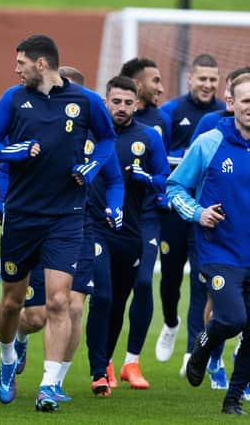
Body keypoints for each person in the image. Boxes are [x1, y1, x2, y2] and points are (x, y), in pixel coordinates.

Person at [0, 34, 116, 412]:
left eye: (21, 62)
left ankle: (48, 384)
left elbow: (106, 140)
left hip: (66, 217)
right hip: (22, 216)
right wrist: (17, 151)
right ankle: (8, 361)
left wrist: (92, 166)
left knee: (59, 302)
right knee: (11, 303)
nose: (16, 68)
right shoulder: (12, 99)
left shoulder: (86, 102)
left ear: (41, 64)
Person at [5, 66, 123, 401]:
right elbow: (9, 170)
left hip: (80, 228)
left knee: (72, 306)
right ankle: (20, 340)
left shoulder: (97, 140)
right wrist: (6, 204)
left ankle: (54, 382)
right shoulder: (43, 131)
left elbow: (114, 178)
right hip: (42, 224)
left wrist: (115, 207)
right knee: (35, 315)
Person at [166, 72, 250, 415]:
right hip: (220, 250)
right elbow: (174, 188)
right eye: (246, 101)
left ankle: (233, 398)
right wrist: (198, 213)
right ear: (230, 104)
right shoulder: (210, 142)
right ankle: (202, 346)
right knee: (231, 319)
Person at [89, 76, 169, 393]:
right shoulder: (90, 132)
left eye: (127, 102)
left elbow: (164, 178)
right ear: (105, 101)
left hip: (131, 232)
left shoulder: (148, 138)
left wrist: (146, 177)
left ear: (136, 103)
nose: (121, 108)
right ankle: (98, 371)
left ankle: (109, 363)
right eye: (116, 102)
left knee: (119, 302)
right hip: (95, 227)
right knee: (103, 296)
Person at [156, 54, 226, 377]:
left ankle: (191, 352)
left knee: (203, 283)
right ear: (190, 79)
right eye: (202, 79)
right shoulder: (171, 112)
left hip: (207, 213)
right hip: (174, 211)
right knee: (170, 280)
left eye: (213, 80)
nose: (208, 85)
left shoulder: (224, 117)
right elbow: (160, 162)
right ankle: (171, 322)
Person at [115, 57, 171, 388]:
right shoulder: (109, 120)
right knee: (111, 293)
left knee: (142, 283)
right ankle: (104, 362)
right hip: (113, 218)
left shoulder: (160, 121)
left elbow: (165, 168)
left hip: (149, 216)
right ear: (136, 87)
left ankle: (132, 362)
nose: (160, 88)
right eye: (155, 81)